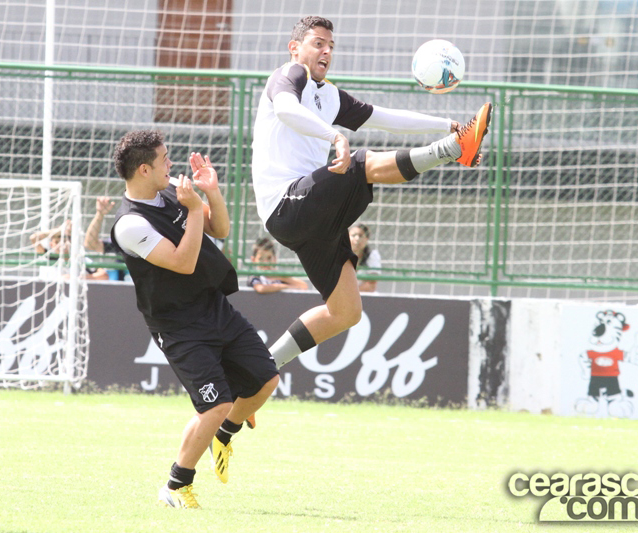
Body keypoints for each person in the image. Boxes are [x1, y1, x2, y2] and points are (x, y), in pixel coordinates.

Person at [252, 16, 492, 369]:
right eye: (318, 43)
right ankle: (454, 150)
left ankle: (260, 368)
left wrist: (446, 124)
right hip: (287, 204)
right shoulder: (289, 76)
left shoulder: (328, 95)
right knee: (360, 164)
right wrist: (334, 136)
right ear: (295, 48)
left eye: (330, 46)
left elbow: (385, 117)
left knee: (346, 311)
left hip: (311, 214)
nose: (326, 51)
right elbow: (286, 109)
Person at [109, 130, 279, 510]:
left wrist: (211, 194)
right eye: (164, 159)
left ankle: (225, 434)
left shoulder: (173, 193)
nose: (171, 163)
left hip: (213, 306)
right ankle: (174, 486)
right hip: (179, 327)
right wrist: (196, 209)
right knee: (214, 404)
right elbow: (183, 262)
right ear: (143, 169)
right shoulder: (129, 224)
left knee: (266, 379)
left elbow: (221, 231)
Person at [30, 220, 109, 281]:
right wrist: (59, 230)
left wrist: (76, 279)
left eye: (64, 241)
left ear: (70, 242)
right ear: (51, 244)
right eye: (57, 242)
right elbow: (34, 238)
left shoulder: (81, 259)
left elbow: (103, 275)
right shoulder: (47, 257)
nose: (61, 245)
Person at [349, 223, 381, 293]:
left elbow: (371, 285)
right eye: (353, 235)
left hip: (364, 295)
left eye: (360, 236)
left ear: (367, 239)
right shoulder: (340, 255)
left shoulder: (372, 255)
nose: (357, 239)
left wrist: (350, 292)